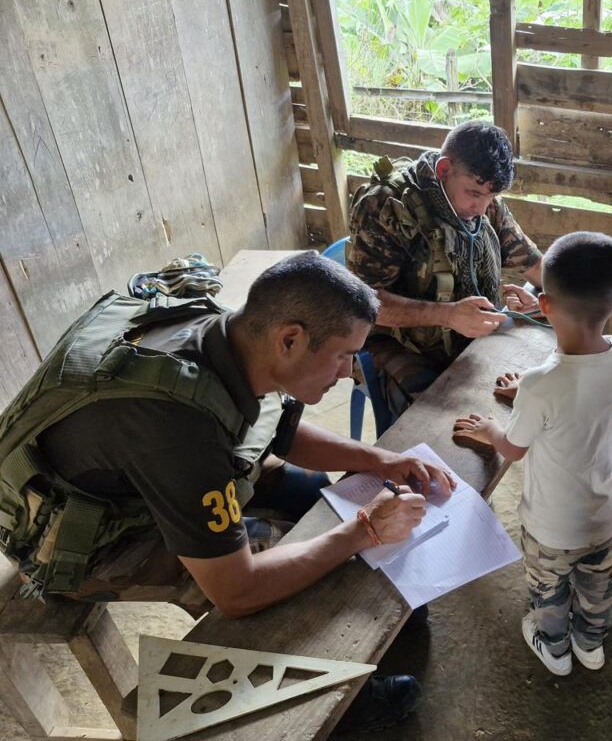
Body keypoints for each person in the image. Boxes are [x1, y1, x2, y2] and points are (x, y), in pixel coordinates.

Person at [0, 252, 454, 731]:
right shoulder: (177, 427)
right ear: (291, 339)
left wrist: (380, 459)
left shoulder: (234, 335)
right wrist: (363, 530)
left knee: (313, 493)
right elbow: (238, 591)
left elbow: (279, 430)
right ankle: (345, 706)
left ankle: (391, 608)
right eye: (344, 355)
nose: (349, 372)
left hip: (138, 476)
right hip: (78, 539)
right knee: (284, 564)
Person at [451, 231, 612, 675]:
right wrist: (530, 393)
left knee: (549, 590)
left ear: (543, 305)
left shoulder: (540, 385)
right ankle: (590, 647)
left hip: (553, 526)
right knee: (595, 585)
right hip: (607, 514)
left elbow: (513, 447)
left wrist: (492, 428)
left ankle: (554, 648)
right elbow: (576, 392)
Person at [347, 121, 544, 418]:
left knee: (535, 384)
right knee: (444, 420)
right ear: (443, 170)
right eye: (475, 194)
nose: (482, 208)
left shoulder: (485, 202)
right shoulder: (386, 205)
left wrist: (547, 300)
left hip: (465, 333)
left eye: (491, 197)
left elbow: (536, 266)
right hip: (395, 342)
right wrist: (447, 315)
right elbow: (364, 304)